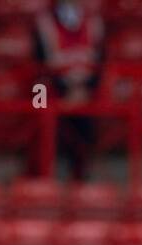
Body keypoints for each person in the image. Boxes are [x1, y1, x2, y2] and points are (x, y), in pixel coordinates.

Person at [32, 0, 105, 180]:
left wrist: (84, 90)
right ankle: (43, 179)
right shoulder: (44, 24)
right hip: (51, 95)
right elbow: (40, 66)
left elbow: (101, 63)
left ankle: (81, 181)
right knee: (42, 121)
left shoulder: (94, 23)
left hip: (86, 96)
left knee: (84, 136)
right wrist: (65, 91)